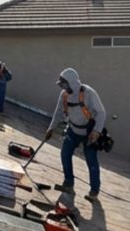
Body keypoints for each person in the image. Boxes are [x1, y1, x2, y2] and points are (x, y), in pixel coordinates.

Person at [45, 67, 106, 202]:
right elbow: (58, 112)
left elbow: (101, 112)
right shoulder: (64, 95)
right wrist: (51, 128)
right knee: (65, 154)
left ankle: (94, 191)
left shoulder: (89, 93)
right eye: (62, 85)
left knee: (91, 161)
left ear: (72, 82)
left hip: (89, 133)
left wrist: (96, 131)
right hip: (73, 129)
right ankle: (68, 182)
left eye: (65, 84)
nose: (64, 87)